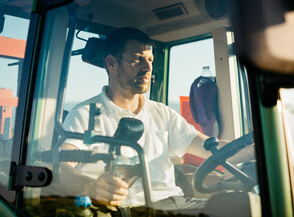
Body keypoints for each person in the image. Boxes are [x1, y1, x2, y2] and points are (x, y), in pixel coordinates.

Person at [61, 27, 224, 209]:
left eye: (150, 59)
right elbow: (60, 166)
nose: (147, 67)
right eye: (137, 59)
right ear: (111, 63)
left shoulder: (162, 113)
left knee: (240, 205)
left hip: (174, 203)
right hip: (123, 210)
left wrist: (256, 148)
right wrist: (89, 186)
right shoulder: (85, 114)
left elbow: (212, 149)